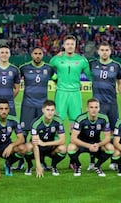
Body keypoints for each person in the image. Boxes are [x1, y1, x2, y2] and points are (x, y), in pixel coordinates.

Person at [49, 34, 92, 170]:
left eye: (72, 44)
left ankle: (73, 159)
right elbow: (47, 70)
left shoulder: (81, 60)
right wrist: (56, 79)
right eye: (67, 44)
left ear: (75, 45)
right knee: (57, 125)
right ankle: (53, 156)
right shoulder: (56, 59)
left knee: (75, 128)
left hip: (75, 95)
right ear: (63, 45)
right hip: (61, 94)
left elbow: (91, 75)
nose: (70, 46)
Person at [14, 47, 57, 171]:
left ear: (43, 55)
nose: (37, 56)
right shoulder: (24, 68)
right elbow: (15, 81)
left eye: (40, 53)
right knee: (24, 133)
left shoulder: (49, 69)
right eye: (35, 53)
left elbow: (57, 80)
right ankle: (21, 162)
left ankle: (42, 161)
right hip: (27, 105)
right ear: (31, 54)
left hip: (42, 107)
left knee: (41, 135)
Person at [89, 41, 121, 171]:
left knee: (114, 133)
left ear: (110, 51)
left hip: (112, 104)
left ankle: (114, 160)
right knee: (94, 133)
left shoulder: (116, 66)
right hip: (97, 105)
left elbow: (120, 83)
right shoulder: (92, 64)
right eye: (102, 50)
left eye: (107, 50)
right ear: (98, 51)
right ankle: (92, 162)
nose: (104, 52)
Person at [67, 98, 114, 177]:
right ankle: (78, 166)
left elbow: (107, 138)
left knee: (110, 148)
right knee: (70, 148)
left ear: (99, 108)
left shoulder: (104, 118)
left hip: (96, 143)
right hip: (82, 143)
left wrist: (98, 145)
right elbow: (73, 138)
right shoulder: (81, 118)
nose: (94, 110)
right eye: (91, 107)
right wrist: (89, 146)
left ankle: (97, 166)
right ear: (87, 108)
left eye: (96, 107)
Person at [24, 100, 66, 177]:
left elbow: (62, 140)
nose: (50, 112)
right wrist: (38, 165)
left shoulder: (58, 121)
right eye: (48, 110)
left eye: (52, 110)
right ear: (43, 110)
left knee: (63, 149)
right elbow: (35, 144)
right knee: (27, 147)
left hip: (50, 147)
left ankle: (53, 166)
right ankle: (30, 166)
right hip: (37, 147)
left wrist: (44, 143)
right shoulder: (36, 123)